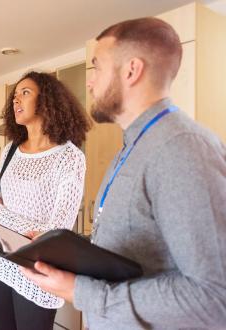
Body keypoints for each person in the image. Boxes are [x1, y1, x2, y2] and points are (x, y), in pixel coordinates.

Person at [22, 17, 226, 329]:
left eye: (97, 68)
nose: (90, 83)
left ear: (131, 70)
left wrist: (84, 292)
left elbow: (214, 298)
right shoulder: (131, 147)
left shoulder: (182, 148)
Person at [0, 71, 91, 330]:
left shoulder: (69, 157)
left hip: (37, 273)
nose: (16, 101)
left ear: (47, 100)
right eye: (14, 96)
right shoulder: (10, 150)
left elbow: (56, 233)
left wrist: (0, 214)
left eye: (25, 93)